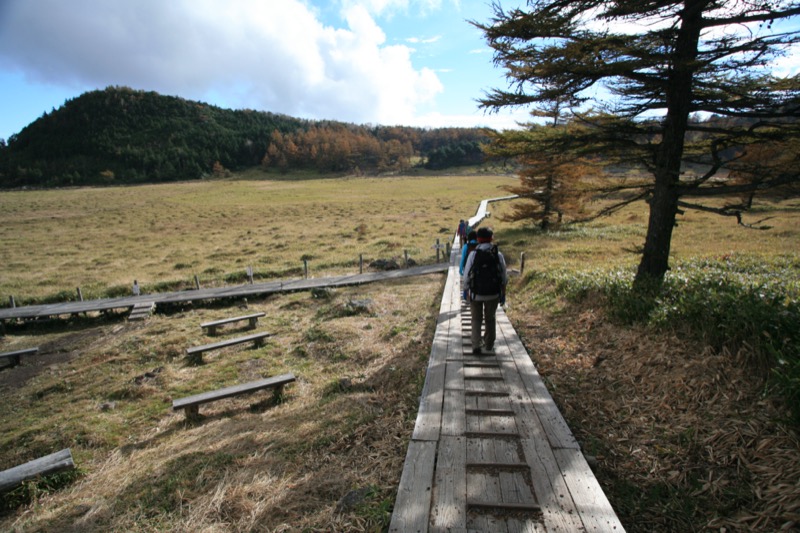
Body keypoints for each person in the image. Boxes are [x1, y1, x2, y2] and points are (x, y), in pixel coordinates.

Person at [462, 227, 507, 355]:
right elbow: (504, 276)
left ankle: (476, 344)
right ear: (491, 238)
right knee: (490, 319)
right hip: (493, 294)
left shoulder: (473, 254)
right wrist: (503, 293)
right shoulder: (497, 254)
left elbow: (466, 275)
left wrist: (466, 290)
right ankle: (489, 344)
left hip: (476, 294)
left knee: (476, 319)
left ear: (478, 239)